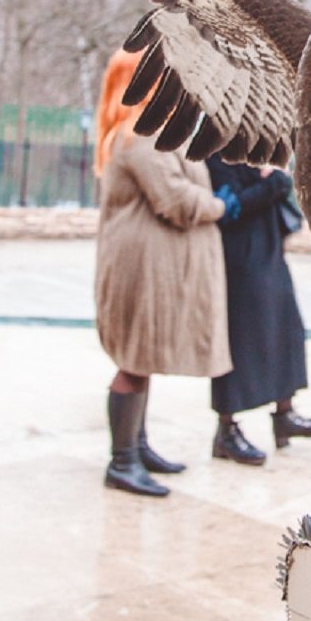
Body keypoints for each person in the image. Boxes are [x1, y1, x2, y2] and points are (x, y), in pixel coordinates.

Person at [92, 48, 233, 497]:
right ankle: (123, 461)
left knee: (140, 357)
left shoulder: (140, 132)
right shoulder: (140, 135)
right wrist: (220, 206)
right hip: (141, 267)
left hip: (142, 263)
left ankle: (138, 446)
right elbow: (174, 200)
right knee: (133, 362)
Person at [205, 158, 311, 465]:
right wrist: (273, 183)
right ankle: (226, 430)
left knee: (286, 329)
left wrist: (276, 179)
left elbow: (282, 181)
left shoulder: (255, 147)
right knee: (240, 340)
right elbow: (229, 206)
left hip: (268, 250)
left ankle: (284, 415)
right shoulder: (215, 151)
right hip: (240, 258)